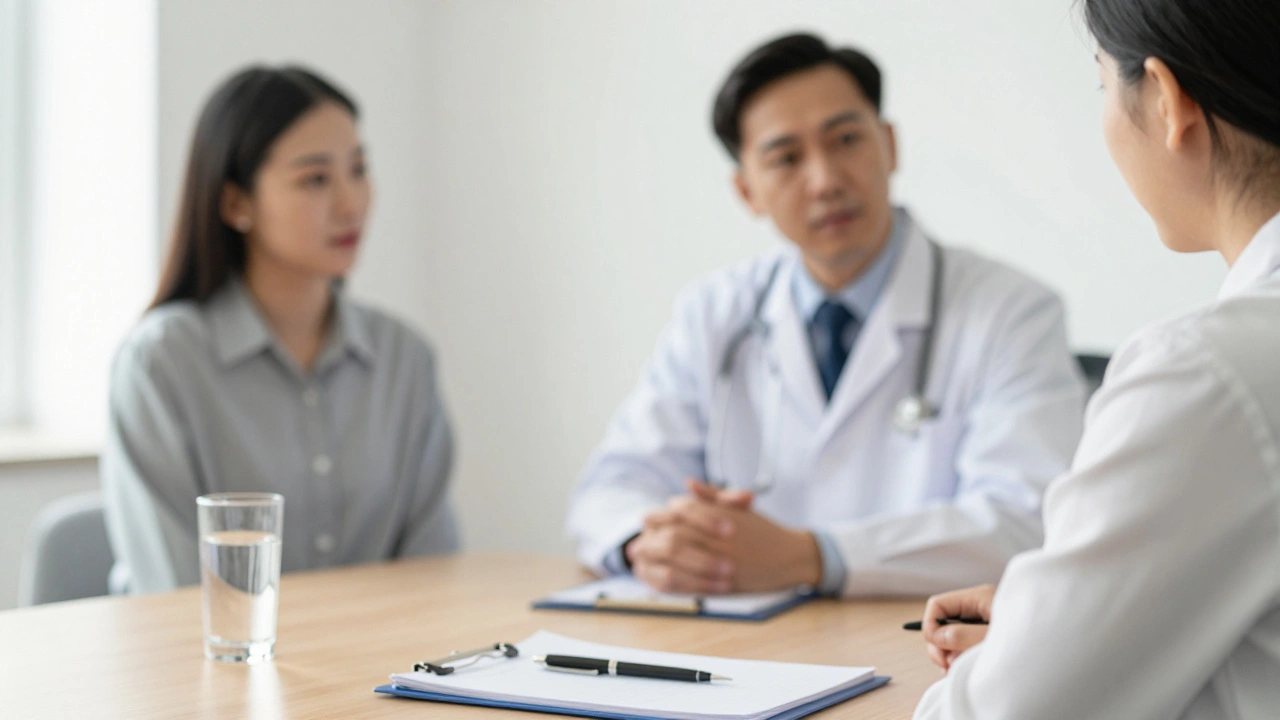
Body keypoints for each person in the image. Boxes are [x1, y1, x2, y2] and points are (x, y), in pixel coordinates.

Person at [566, 33, 1087, 598]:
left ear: (889, 145)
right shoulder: (714, 313)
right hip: (749, 649)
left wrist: (812, 557)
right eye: (786, 158)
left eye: (846, 140)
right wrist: (658, 545)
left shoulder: (1011, 310)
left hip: (923, 650)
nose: (825, 180)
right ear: (748, 191)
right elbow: (609, 490)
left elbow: (1024, 519)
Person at [913, 1, 1280, 716]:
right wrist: (1069, 617)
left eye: (1103, 85)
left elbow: (1011, 712)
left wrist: (1042, 647)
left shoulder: (1207, 373)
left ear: (1168, 101)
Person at [101, 66, 458, 594]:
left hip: (378, 672)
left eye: (358, 170)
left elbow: (433, 577)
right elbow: (173, 598)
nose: (350, 203)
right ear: (235, 203)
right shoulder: (161, 364)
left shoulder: (405, 359)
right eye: (316, 179)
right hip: (207, 671)